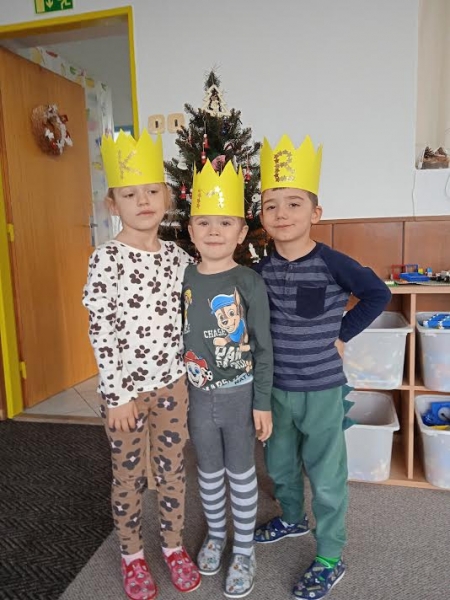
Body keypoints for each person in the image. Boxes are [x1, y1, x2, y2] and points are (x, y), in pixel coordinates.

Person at [253, 135, 392, 600]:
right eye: (271, 206)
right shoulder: (260, 270)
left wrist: (343, 332)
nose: (281, 214)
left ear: (316, 212)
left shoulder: (332, 262)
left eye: (294, 203)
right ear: (261, 217)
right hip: (275, 390)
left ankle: (330, 555)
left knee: (327, 476)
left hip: (322, 389)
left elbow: (377, 293)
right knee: (280, 465)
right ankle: (292, 518)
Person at [82, 130, 201, 600]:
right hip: (126, 394)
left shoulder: (178, 257)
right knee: (129, 476)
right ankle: (132, 555)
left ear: (167, 197)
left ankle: (172, 546)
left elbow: (192, 316)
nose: (144, 201)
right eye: (130, 194)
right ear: (113, 205)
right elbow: (102, 330)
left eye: (152, 191)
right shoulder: (105, 259)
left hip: (173, 386)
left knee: (173, 471)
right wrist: (116, 396)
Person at [183, 160, 273, 598]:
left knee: (240, 472)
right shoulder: (183, 277)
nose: (214, 231)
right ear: (191, 230)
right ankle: (217, 535)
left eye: (225, 222)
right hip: (198, 396)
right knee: (208, 470)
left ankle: (245, 549)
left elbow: (263, 347)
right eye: (204, 222)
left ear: (241, 233)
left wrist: (262, 402)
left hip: (240, 396)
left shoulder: (248, 281)